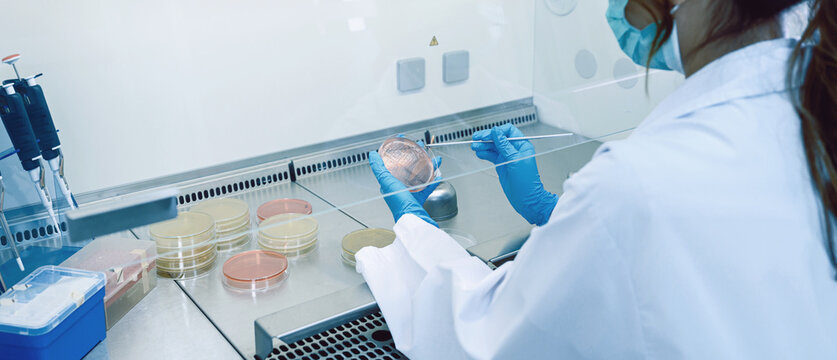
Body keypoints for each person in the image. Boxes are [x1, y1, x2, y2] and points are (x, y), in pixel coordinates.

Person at [360, 0, 837, 358]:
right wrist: (558, 214)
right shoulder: (812, 114)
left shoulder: (635, 187)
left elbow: (480, 340)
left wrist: (413, 228)